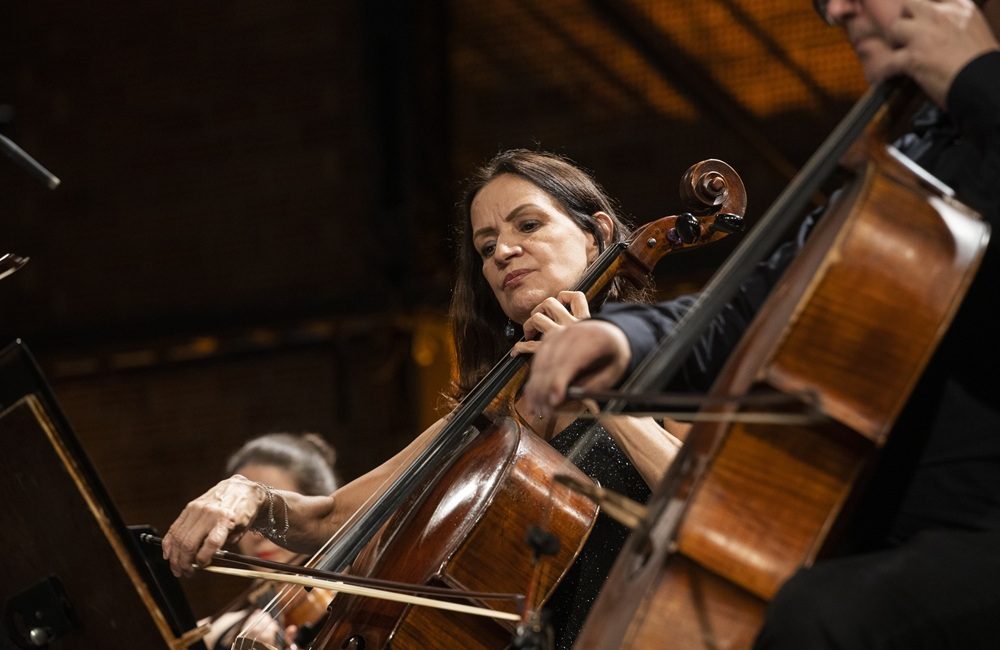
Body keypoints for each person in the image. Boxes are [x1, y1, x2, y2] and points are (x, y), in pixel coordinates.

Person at [522, 1, 1000, 648]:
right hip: (886, 538)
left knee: (818, 618)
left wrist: (978, 81)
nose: (832, 9)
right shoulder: (911, 149)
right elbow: (759, 303)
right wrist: (623, 339)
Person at [163, 149, 685, 648]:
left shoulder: (672, 363)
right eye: (485, 247)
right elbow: (326, 518)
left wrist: (598, 392)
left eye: (528, 225)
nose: (503, 251)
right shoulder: (489, 415)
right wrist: (246, 496)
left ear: (597, 235)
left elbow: (710, 509)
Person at [202, 432, 340, 650]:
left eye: (271, 515)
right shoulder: (217, 630)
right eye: (244, 516)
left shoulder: (346, 608)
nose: (258, 534)